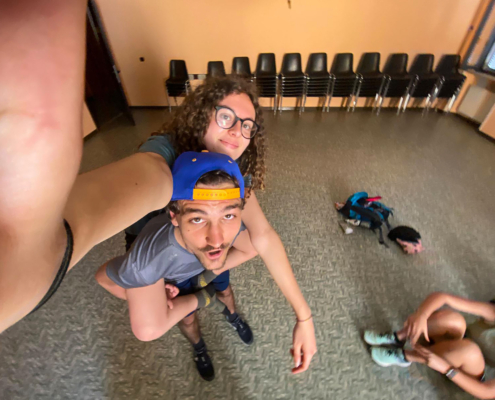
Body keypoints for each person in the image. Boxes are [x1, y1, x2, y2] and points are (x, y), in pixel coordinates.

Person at [1, 0, 316, 374]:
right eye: (227, 117)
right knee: (180, 315)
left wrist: (304, 316)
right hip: (159, 252)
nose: (238, 131)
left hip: (203, 249)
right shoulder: (164, 155)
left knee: (225, 284)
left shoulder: (235, 170)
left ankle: (227, 309)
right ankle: (200, 340)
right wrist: (46, 238)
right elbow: (140, 182)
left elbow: (263, 236)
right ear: (201, 115)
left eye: (247, 125)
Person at [96, 151, 255, 381]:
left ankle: (233, 317)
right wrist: (160, 296)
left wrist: (209, 273)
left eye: (228, 215)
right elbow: (103, 278)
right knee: (187, 318)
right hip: (173, 278)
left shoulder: (224, 236)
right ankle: (199, 347)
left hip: (206, 266)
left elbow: (252, 248)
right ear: (174, 216)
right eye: (198, 219)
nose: (216, 238)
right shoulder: (148, 261)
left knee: (226, 292)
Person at [364, 292, 495, 399]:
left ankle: (406, 356)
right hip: (461, 342)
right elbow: (444, 297)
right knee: (454, 320)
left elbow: (486, 392)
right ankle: (399, 337)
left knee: (470, 351)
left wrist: (446, 368)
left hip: (472, 378)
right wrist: (422, 315)